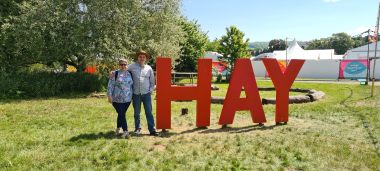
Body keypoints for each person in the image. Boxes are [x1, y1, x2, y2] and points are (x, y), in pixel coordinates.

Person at [128, 50, 158, 136]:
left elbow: (152, 82)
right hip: (136, 94)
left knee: (149, 112)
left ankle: (152, 129)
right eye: (140, 56)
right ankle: (137, 129)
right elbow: (123, 70)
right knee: (137, 113)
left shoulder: (149, 68)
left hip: (146, 94)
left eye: (143, 57)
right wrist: (114, 73)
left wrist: (150, 90)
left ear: (146, 59)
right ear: (137, 57)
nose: (142, 58)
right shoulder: (131, 66)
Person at [107, 59, 134, 139]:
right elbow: (110, 85)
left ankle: (118, 128)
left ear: (127, 65)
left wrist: (132, 97)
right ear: (119, 65)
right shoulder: (115, 74)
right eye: (121, 64)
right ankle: (126, 131)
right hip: (117, 99)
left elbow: (131, 86)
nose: (123, 66)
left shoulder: (130, 74)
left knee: (121, 114)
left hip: (127, 99)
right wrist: (109, 96)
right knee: (122, 113)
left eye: (125, 64)